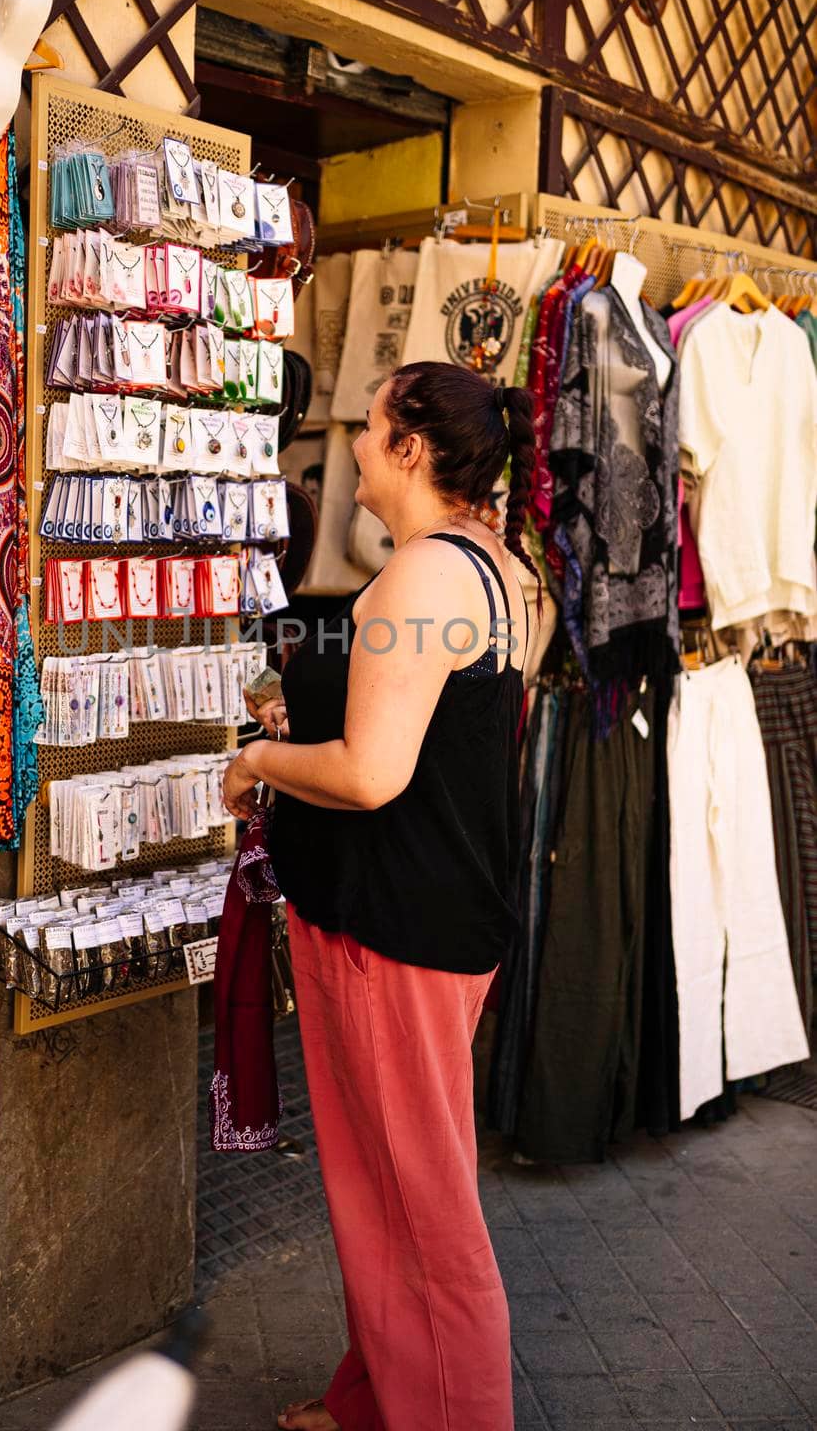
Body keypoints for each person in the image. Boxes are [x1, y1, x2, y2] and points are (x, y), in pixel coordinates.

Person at [222, 361, 538, 1431]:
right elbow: (426, 728)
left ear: (408, 447)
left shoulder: (422, 578)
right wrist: (297, 708)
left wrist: (260, 765)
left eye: (366, 424)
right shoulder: (488, 566)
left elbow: (371, 772)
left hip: (394, 935)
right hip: (423, 921)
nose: (350, 441)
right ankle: (374, 1401)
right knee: (377, 1198)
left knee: (418, 1214)